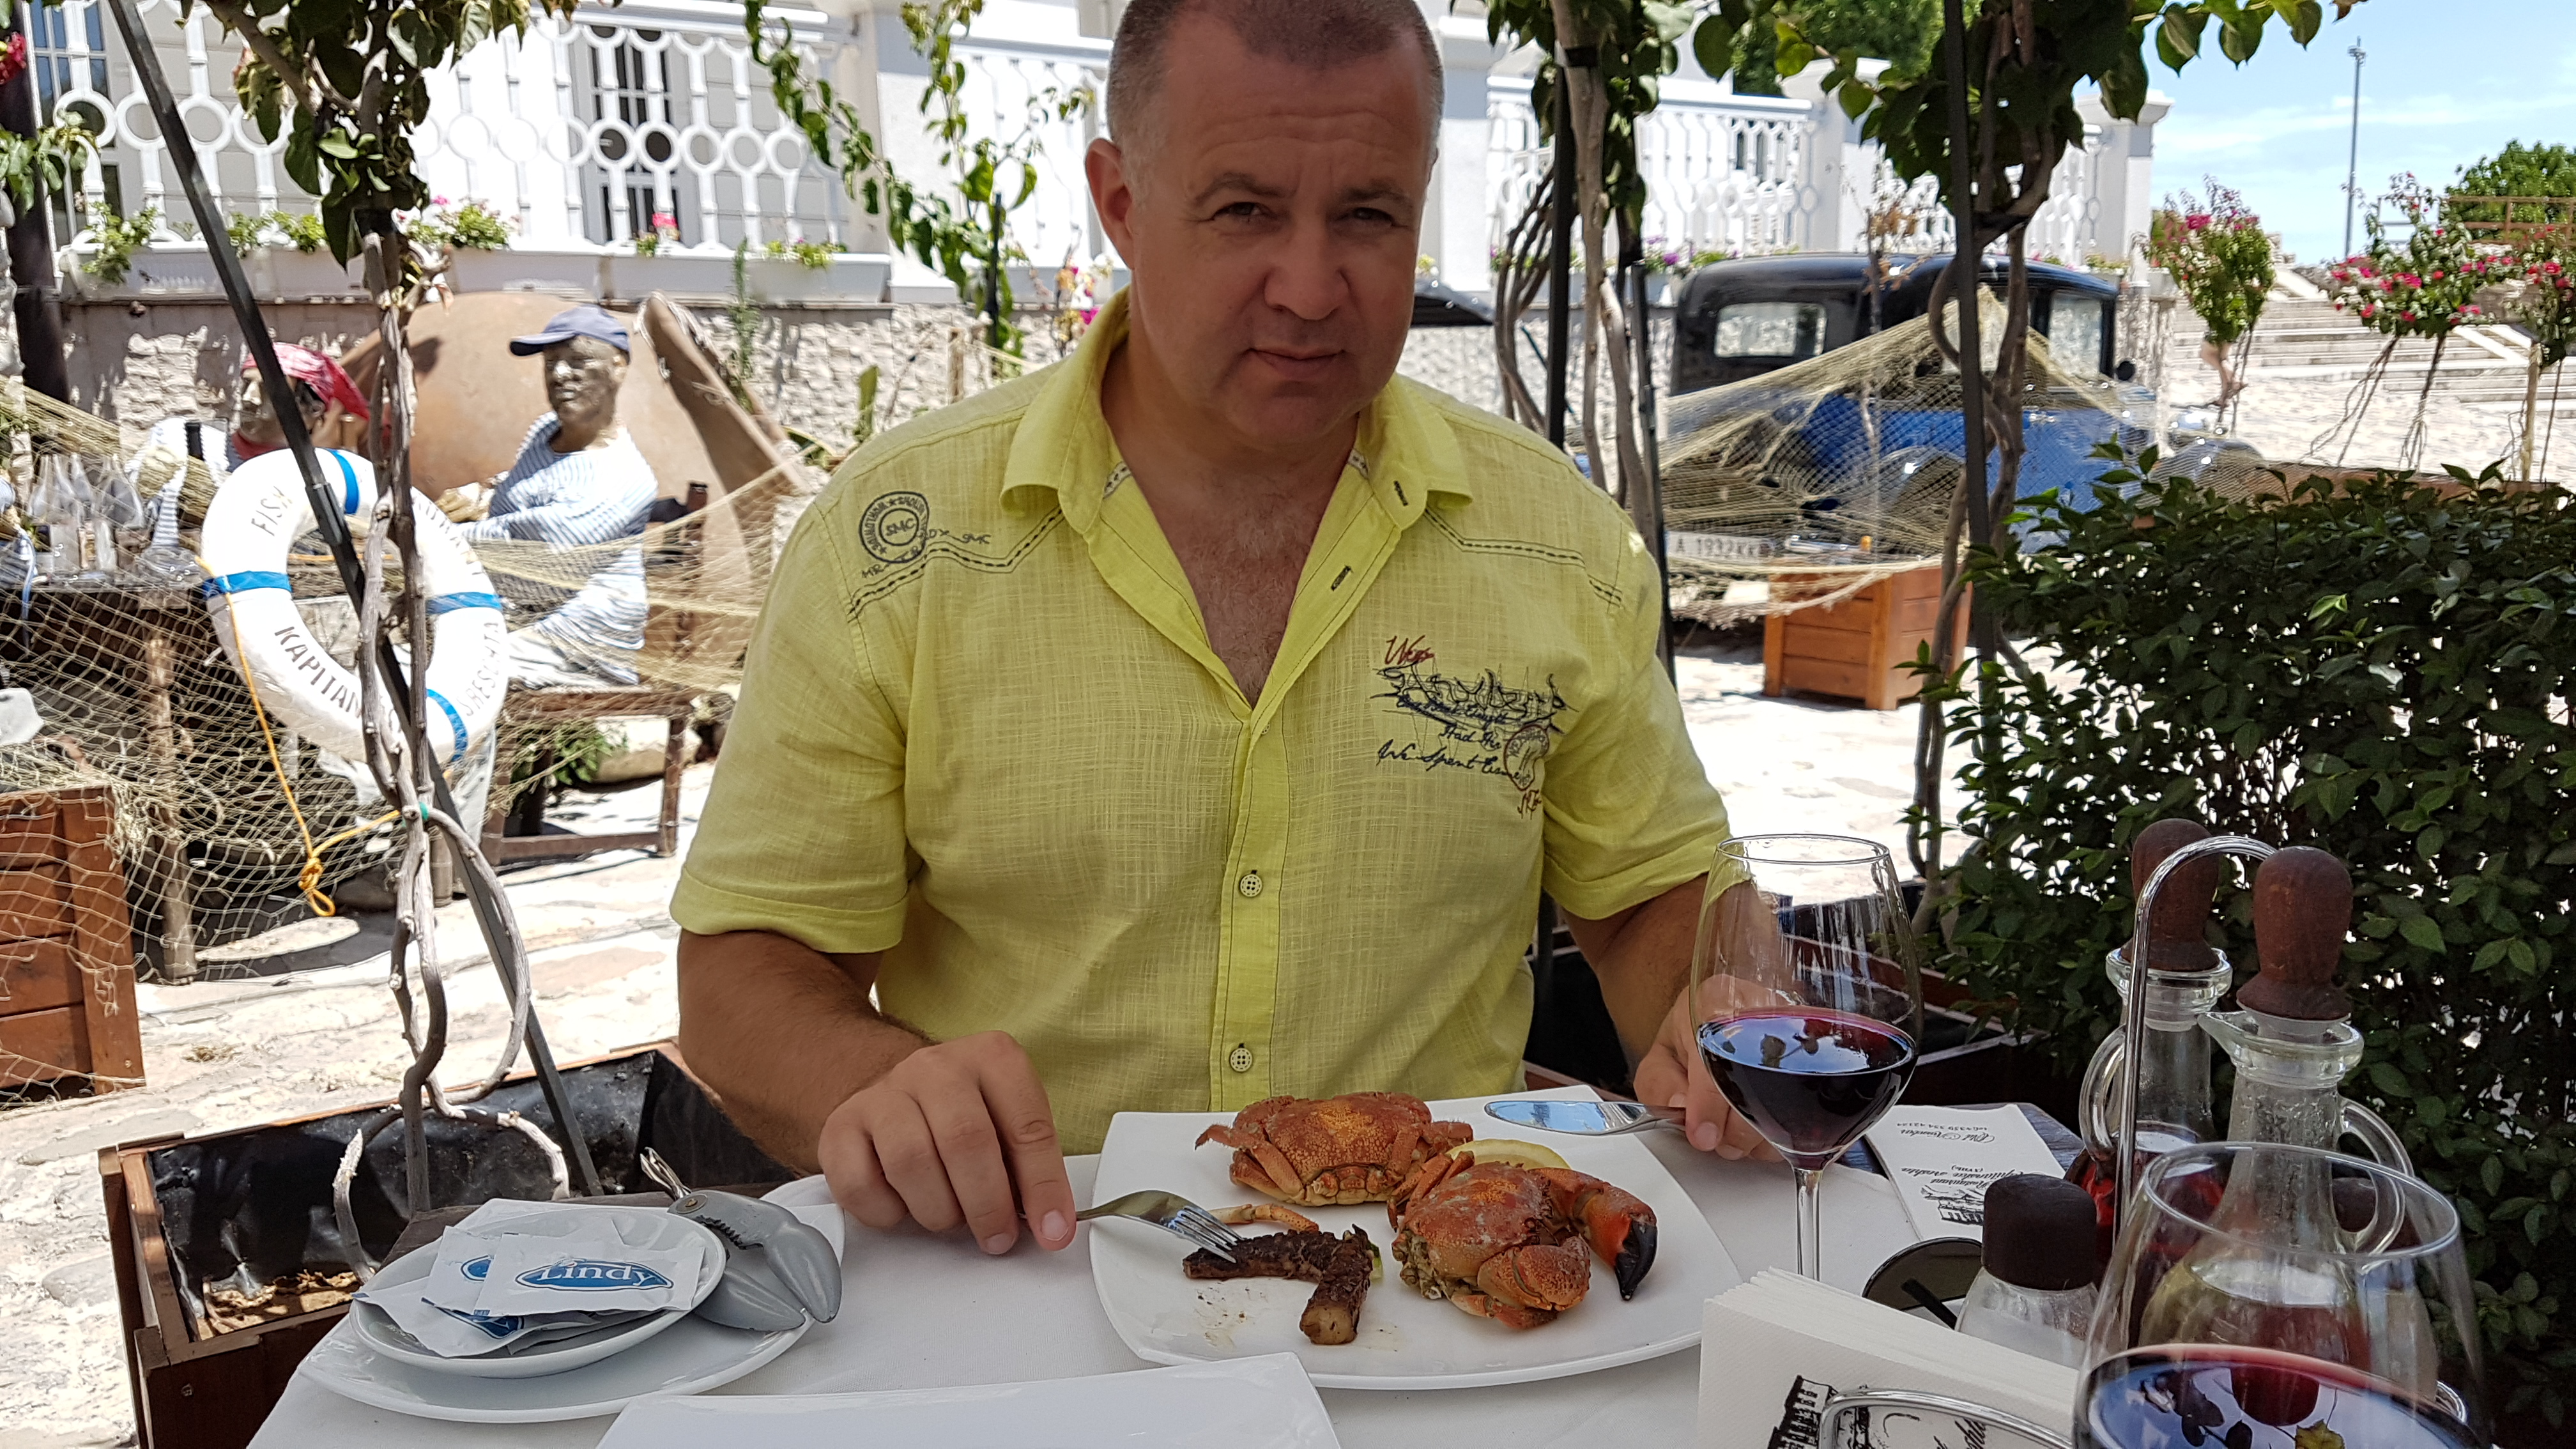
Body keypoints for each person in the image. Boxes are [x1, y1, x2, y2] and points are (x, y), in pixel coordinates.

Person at [670, 0, 1776, 1262]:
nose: (1309, 289)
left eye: (1368, 215)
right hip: (1023, 1265)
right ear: (1121, 201)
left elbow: (1653, 894)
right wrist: (869, 1083)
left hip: (1441, 1286)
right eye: (1244, 210)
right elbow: (748, 966)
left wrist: (1712, 1004)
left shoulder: (1557, 542)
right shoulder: (899, 544)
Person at [440, 303, 659, 829]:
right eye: (549, 362)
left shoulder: (624, 478)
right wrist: (481, 494)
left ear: (620, 367)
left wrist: (436, 535)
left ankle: (452, 839)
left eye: (579, 361)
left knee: (454, 680)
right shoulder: (545, 433)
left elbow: (534, 553)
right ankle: (383, 815)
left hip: (578, 641)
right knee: (395, 659)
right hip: (513, 613)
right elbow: (516, 498)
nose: (560, 375)